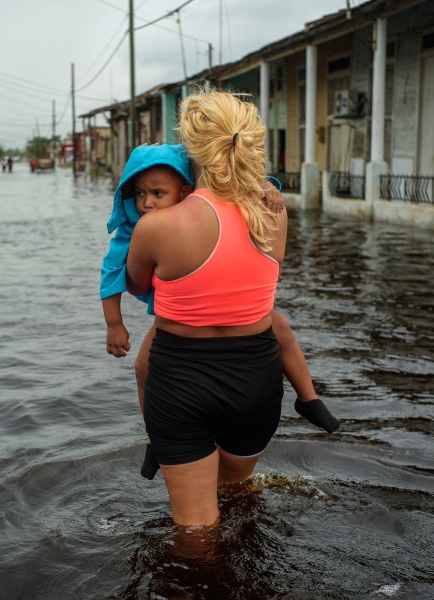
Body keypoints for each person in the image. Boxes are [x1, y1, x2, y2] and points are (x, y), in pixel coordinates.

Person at [101, 145, 339, 479]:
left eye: (157, 193)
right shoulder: (138, 229)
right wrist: (114, 323)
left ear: (185, 191)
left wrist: (267, 187)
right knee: (143, 366)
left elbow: (237, 180)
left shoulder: (193, 214)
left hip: (229, 312)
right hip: (179, 315)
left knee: (280, 326)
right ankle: (156, 437)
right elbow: (112, 274)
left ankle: (309, 398)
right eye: (140, 194)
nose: (148, 203)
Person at [125, 89, 287, 526]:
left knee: (195, 527)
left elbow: (136, 283)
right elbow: (260, 287)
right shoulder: (273, 213)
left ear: (190, 149)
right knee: (238, 499)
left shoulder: (155, 225)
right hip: (256, 377)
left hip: (180, 379)